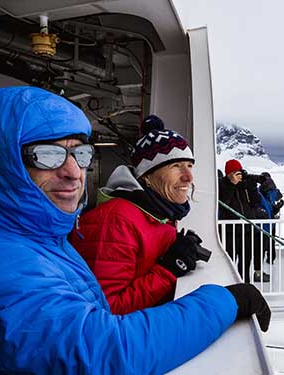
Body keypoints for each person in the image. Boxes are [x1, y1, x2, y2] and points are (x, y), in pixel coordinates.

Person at [0, 86, 270, 374]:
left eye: (80, 154)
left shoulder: (43, 237)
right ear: (2, 164)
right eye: (47, 154)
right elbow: (103, 353)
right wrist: (220, 299)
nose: (73, 172)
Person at [71, 115, 200, 314]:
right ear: (147, 176)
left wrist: (173, 252)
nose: (188, 177)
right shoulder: (115, 222)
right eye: (175, 166)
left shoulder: (160, 212)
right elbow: (106, 310)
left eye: (189, 165)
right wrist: (169, 268)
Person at [218, 159, 269, 282]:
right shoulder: (222, 184)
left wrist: (252, 187)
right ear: (229, 174)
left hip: (246, 230)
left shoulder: (245, 185)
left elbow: (256, 203)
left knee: (245, 262)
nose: (239, 175)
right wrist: (232, 185)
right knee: (229, 262)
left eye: (239, 172)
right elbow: (223, 203)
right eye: (235, 172)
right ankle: (229, 286)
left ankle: (245, 284)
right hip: (229, 231)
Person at [258, 172, 284, 264]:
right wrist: (278, 207)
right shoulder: (272, 191)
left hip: (266, 221)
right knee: (270, 240)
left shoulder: (261, 192)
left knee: (263, 242)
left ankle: (267, 258)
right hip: (270, 220)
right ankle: (271, 258)